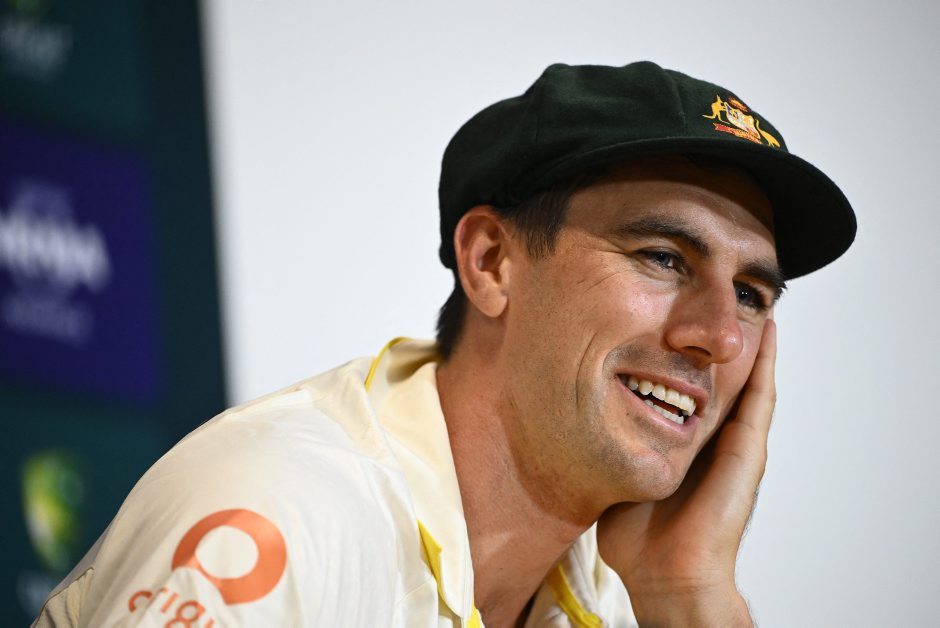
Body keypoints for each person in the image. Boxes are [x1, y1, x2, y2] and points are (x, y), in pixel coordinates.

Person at [34, 61, 855, 627]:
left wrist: (690, 596)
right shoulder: (281, 518)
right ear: (492, 262)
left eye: (751, 295)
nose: (718, 335)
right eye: (664, 257)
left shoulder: (616, 597)